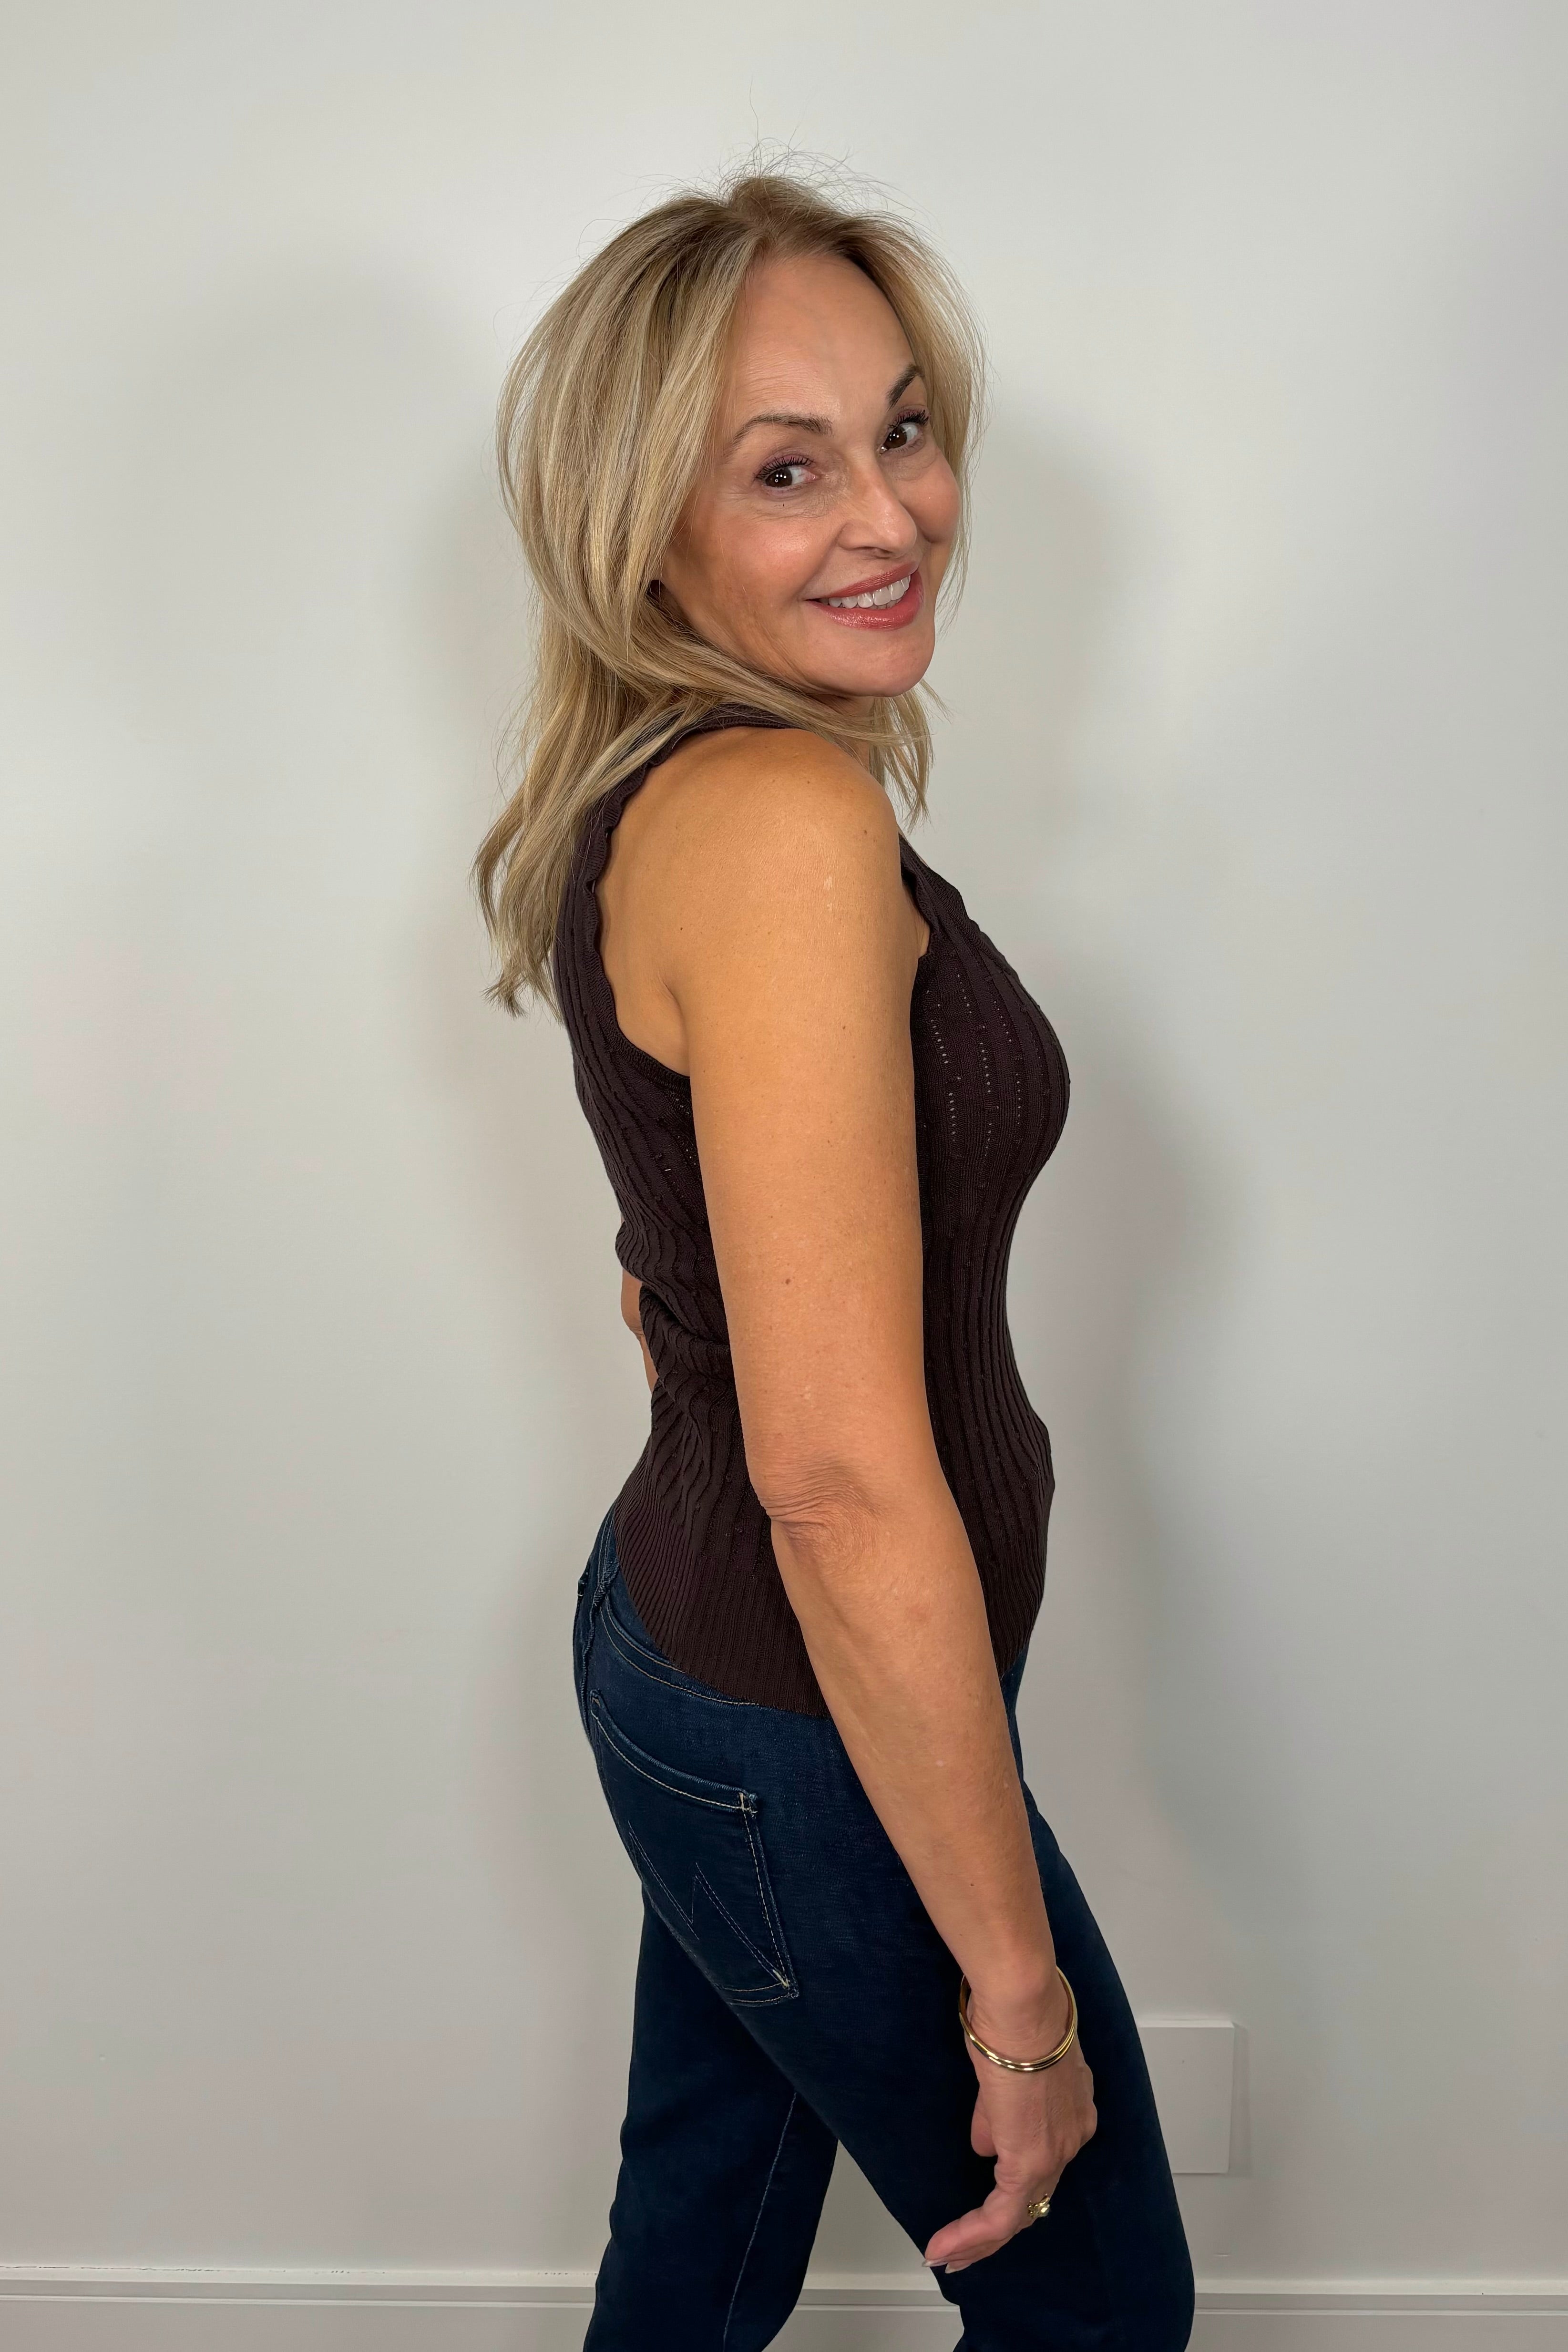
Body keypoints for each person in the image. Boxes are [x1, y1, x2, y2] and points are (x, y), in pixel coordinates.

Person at [476, 167, 1195, 2351]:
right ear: (646, 531)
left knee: (697, 2243)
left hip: (718, 1672)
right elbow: (838, 1479)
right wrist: (1015, 1985)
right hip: (792, 1705)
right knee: (1096, 2306)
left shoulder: (706, 791)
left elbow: (678, 1256)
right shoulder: (778, 825)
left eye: (900, 428)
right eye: (782, 470)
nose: (889, 513)